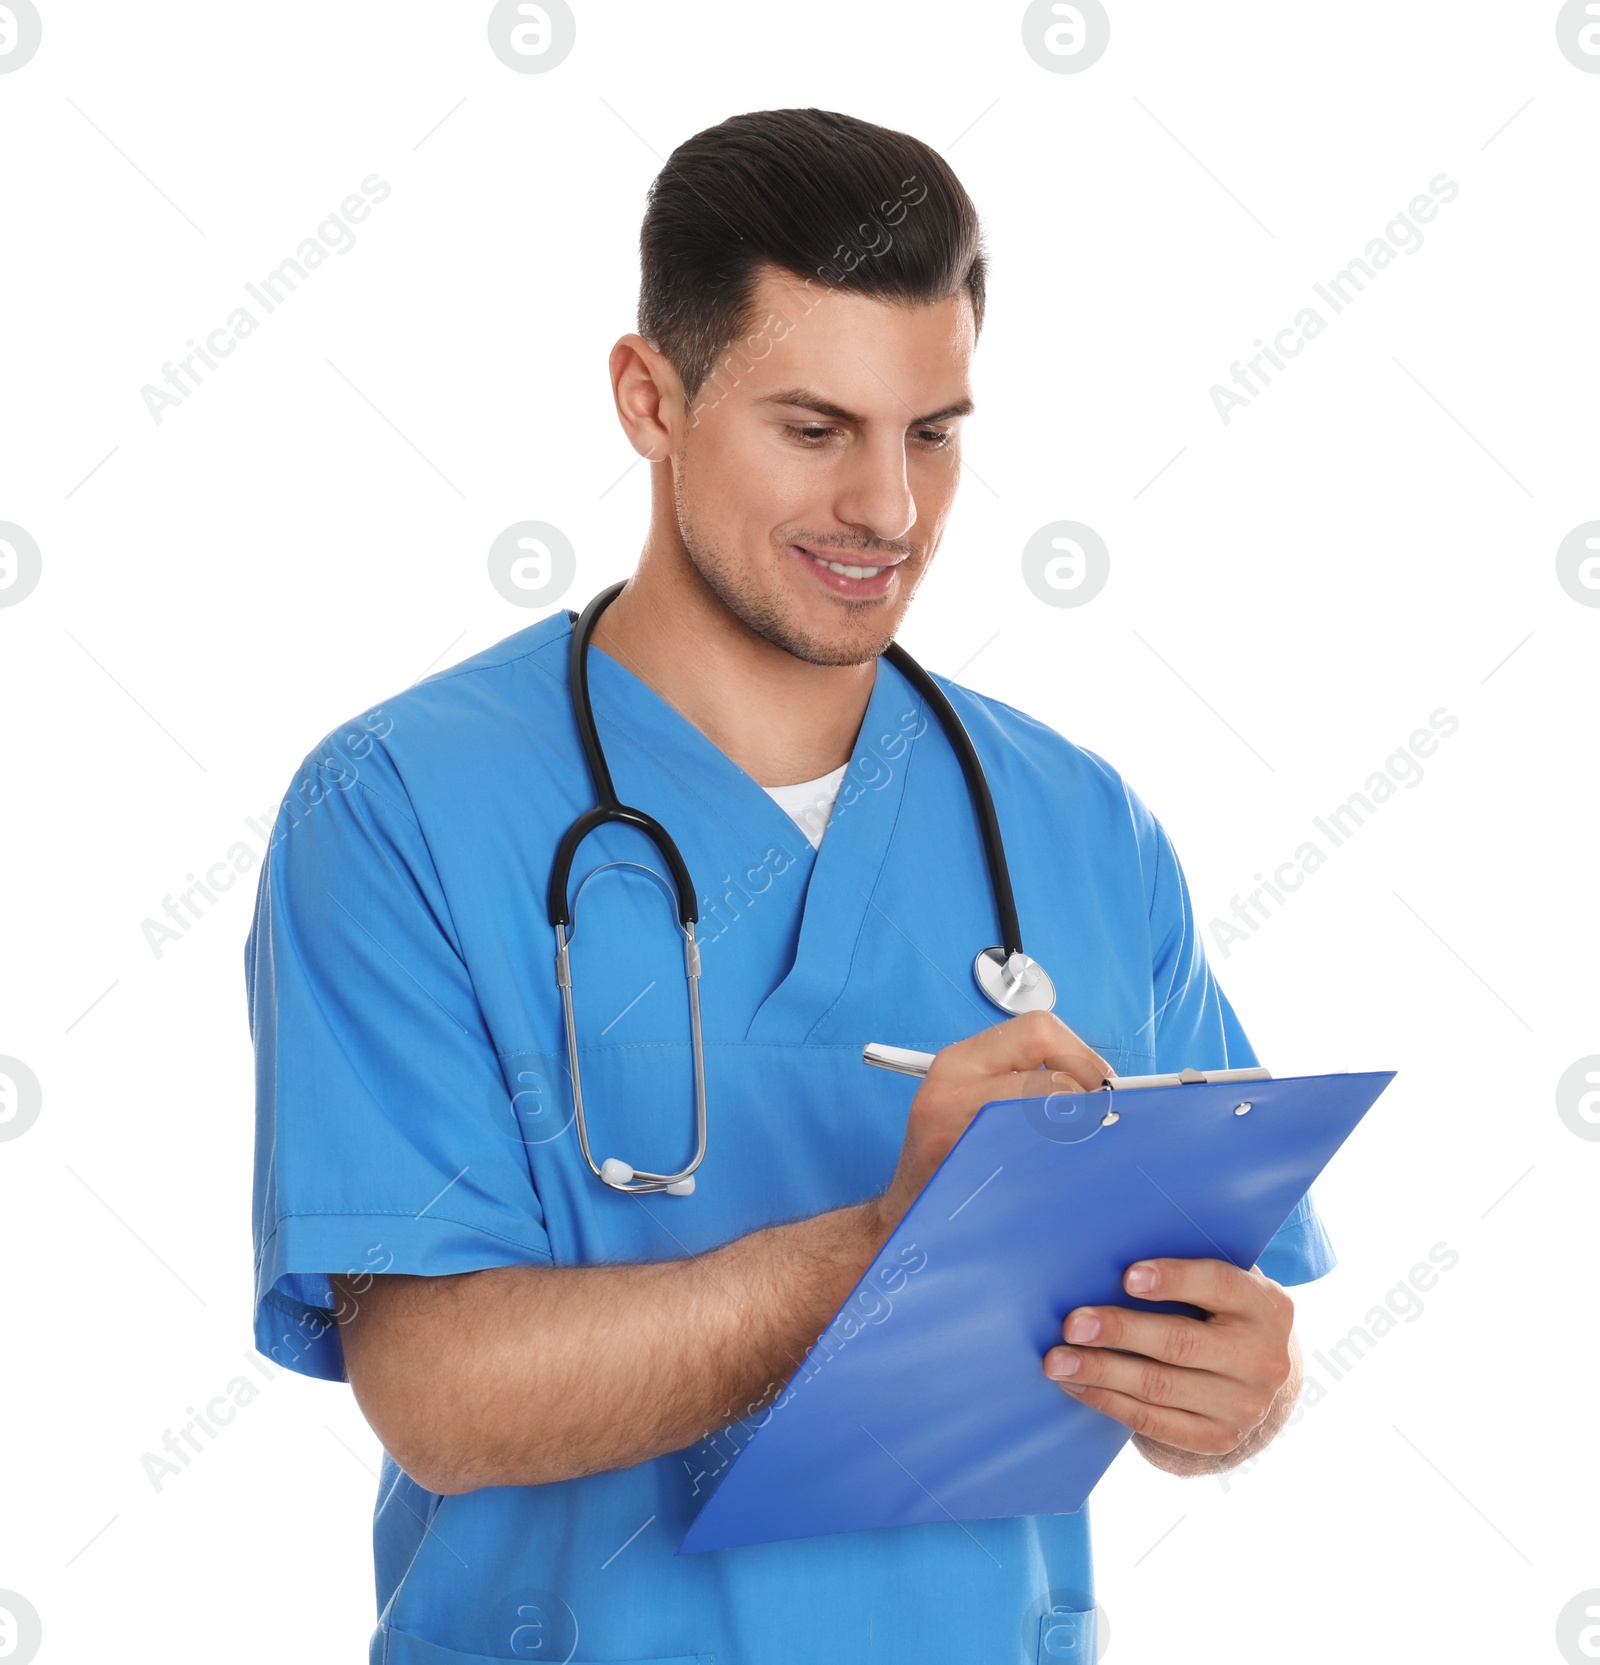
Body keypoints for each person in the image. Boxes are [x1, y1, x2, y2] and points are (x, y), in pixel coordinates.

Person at [247, 106, 1333, 1665]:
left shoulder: (1078, 826)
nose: (888, 509)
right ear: (651, 397)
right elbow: (440, 1396)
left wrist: (1233, 1398)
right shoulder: (406, 807)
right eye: (815, 430)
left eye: (934, 431)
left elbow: (1225, 1317)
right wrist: (891, 1238)